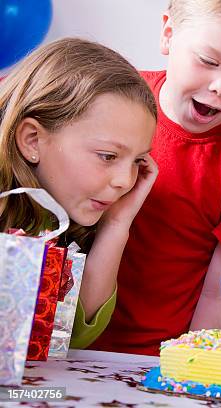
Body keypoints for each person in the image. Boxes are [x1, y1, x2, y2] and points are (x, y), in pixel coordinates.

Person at [91, 0, 221, 355]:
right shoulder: (113, 101)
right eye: (208, 61)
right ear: (168, 33)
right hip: (65, 334)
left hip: (157, 355)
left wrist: (187, 365)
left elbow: (217, 291)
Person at [0, 38, 158, 348]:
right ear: (32, 140)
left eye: (138, 162)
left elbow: (72, 337)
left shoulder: (56, 220)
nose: (126, 181)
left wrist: (116, 224)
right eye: (108, 156)